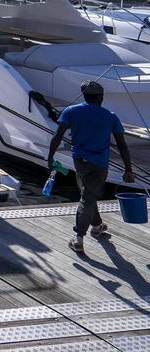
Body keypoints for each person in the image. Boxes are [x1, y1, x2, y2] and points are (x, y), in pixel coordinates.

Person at [47, 80, 135, 252]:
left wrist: (50, 158)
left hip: (79, 162)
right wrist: (128, 169)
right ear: (100, 97)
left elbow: (57, 136)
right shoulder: (110, 116)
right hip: (100, 164)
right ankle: (78, 237)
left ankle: (97, 225)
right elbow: (122, 145)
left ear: (84, 95)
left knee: (87, 193)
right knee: (87, 197)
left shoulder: (71, 111)